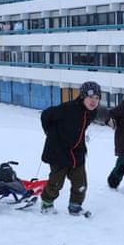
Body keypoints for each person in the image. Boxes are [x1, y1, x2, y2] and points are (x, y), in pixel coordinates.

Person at [40, 81, 102, 215]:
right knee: (56, 183)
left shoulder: (91, 112)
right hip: (58, 151)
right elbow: (46, 115)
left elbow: (102, 112)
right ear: (83, 97)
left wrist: (109, 120)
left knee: (81, 183)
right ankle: (47, 203)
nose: (93, 101)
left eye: (97, 98)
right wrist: (49, 133)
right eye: (90, 97)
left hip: (77, 152)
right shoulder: (68, 109)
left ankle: (75, 206)